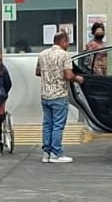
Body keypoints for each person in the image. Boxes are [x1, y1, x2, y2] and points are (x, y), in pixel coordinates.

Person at [35, 30, 84, 164]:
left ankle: (46, 153)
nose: (68, 45)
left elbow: (38, 72)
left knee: (47, 124)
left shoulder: (42, 54)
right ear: (62, 42)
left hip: (45, 95)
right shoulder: (64, 55)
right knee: (57, 125)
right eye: (67, 42)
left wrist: (48, 74)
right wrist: (78, 78)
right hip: (59, 94)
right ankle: (56, 153)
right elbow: (68, 75)